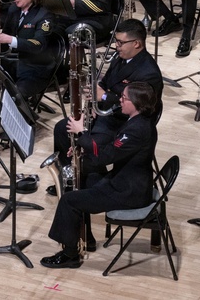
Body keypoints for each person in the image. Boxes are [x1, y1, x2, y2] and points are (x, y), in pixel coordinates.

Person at [40, 82, 158, 269]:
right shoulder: (138, 121)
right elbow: (113, 148)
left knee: (69, 201)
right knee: (84, 179)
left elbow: (105, 156)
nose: (120, 100)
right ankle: (85, 238)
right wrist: (83, 147)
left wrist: (82, 133)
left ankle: (70, 255)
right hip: (126, 181)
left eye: (124, 98)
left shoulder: (137, 130)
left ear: (136, 104)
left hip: (128, 192)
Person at [48, 19, 163, 195]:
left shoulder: (149, 73)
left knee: (93, 143)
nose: (116, 46)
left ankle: (89, 186)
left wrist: (102, 96)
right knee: (62, 128)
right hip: (106, 114)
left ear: (137, 44)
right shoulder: (121, 58)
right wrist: (93, 106)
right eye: (116, 41)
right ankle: (69, 179)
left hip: (123, 124)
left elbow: (138, 108)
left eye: (121, 42)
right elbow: (106, 82)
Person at [0, 0, 56, 100]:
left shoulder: (44, 16)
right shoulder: (14, 10)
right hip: (14, 64)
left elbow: (38, 45)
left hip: (35, 70)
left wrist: (9, 39)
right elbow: (3, 42)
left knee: (15, 95)